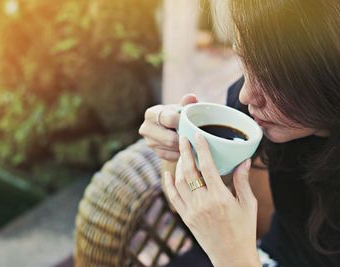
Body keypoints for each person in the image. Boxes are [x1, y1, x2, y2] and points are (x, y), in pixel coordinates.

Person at [139, 0, 340, 266]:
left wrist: (234, 257)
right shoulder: (252, 115)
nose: (247, 95)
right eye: (245, 61)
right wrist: (175, 149)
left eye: (275, 78)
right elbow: (199, 213)